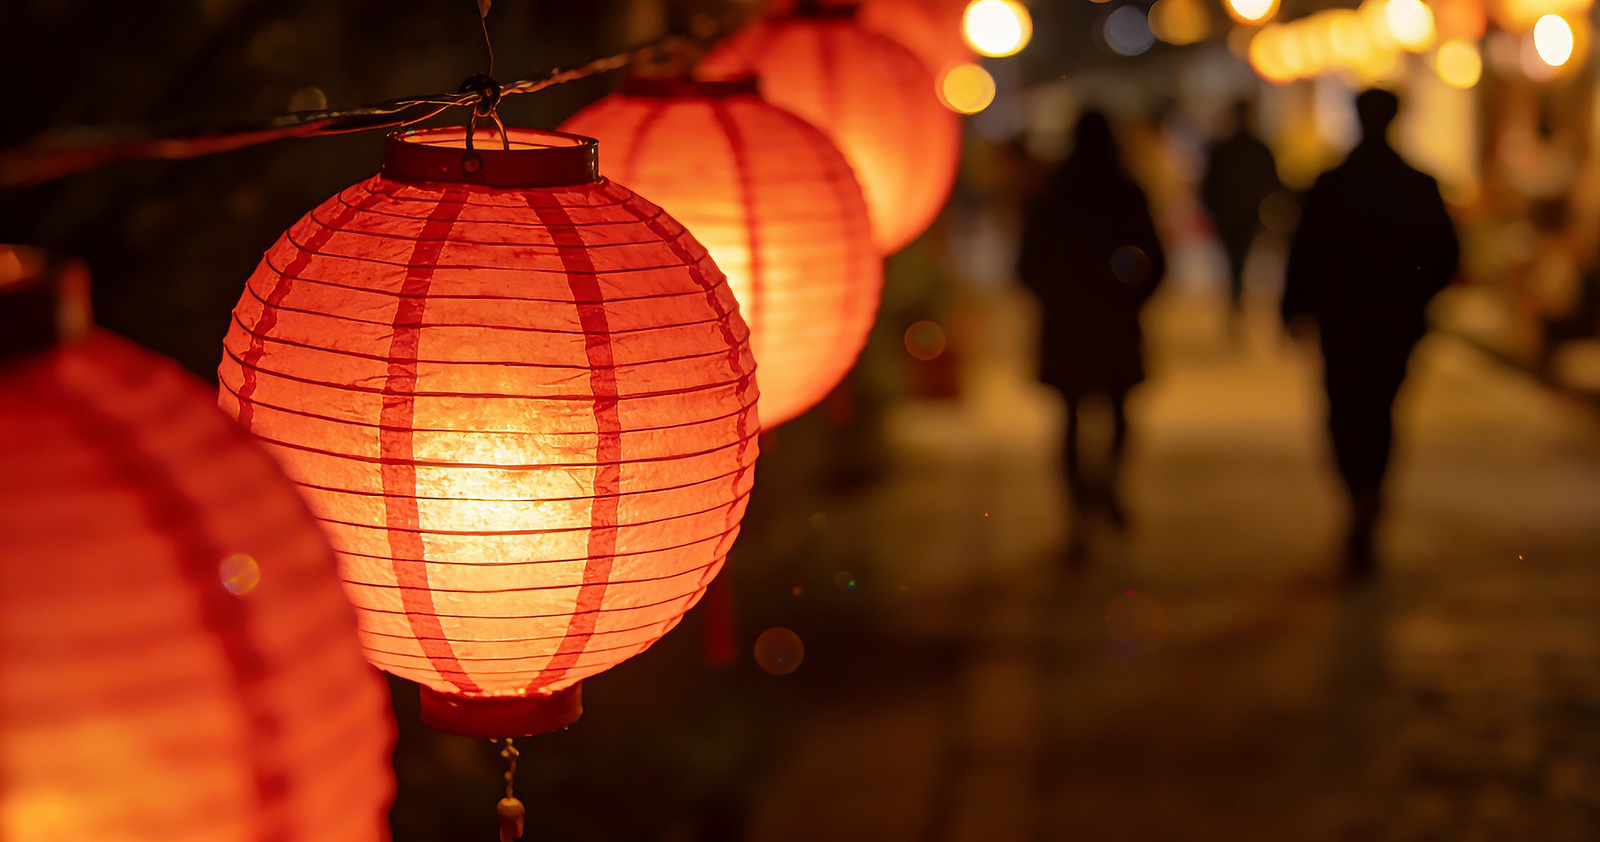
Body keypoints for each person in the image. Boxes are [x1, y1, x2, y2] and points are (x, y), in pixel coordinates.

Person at [1282, 88, 1459, 579]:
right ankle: (1369, 494)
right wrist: (1420, 297)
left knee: (1343, 411)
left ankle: (1359, 494)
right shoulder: (1416, 184)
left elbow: (1304, 253)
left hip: (1346, 321)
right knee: (1381, 411)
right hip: (1393, 321)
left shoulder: (1332, 184)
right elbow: (1446, 254)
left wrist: (1294, 310)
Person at [1018, 111, 1166, 540]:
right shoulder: (1125, 193)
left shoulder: (1053, 195)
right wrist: (1130, 294)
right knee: (1119, 412)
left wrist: (1059, 294)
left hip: (1068, 325)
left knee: (1069, 417)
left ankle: (1078, 506)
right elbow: (1154, 258)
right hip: (1115, 321)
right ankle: (1109, 487)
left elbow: (1028, 265)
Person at [1200, 100, 1282, 339]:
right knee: (1238, 261)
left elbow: (1208, 186)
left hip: (1231, 217)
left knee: (1234, 262)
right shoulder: (1258, 149)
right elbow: (1272, 183)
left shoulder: (1225, 149)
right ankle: (1236, 302)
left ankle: (1235, 303)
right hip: (1244, 216)